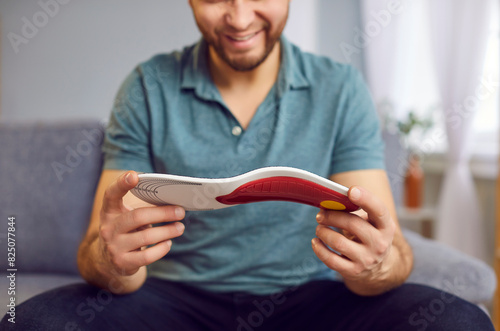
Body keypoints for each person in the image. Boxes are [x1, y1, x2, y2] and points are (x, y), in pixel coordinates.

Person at [2, 1, 494, 330]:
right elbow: (99, 256)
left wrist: (378, 263)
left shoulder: (339, 88)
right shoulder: (148, 87)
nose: (238, 18)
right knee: (27, 322)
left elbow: (393, 260)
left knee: (460, 321)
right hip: (175, 300)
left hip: (313, 299)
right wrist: (113, 259)